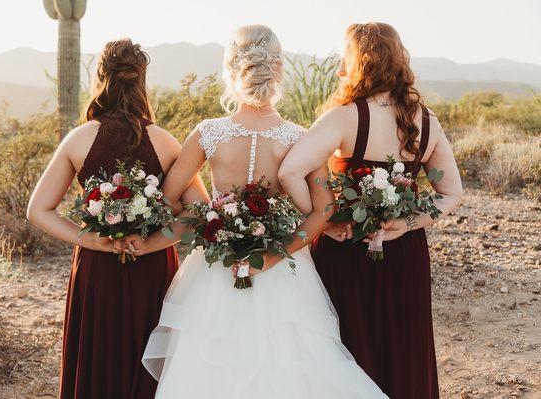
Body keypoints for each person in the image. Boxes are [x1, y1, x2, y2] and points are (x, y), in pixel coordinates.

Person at [133, 24, 388, 399]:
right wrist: (272, 255)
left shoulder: (207, 134)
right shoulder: (299, 138)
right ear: (278, 69)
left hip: (215, 269)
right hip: (282, 269)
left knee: (210, 369)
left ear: (231, 69)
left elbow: (169, 198)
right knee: (290, 368)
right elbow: (322, 213)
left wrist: (210, 222)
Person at [279, 22, 463, 399]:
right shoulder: (427, 121)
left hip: (347, 250)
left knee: (347, 349)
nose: (337, 69)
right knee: (403, 346)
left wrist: (324, 221)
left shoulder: (344, 116)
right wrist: (406, 224)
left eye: (343, 58)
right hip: (404, 254)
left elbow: (290, 171)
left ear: (358, 62)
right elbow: (450, 194)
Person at [26, 38, 208, 399]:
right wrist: (152, 242)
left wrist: (92, 241)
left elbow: (38, 210)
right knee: (144, 361)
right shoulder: (165, 142)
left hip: (98, 269)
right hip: (151, 266)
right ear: (141, 83)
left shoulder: (78, 140)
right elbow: (200, 210)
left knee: (98, 359)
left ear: (101, 79)